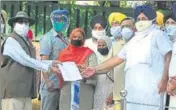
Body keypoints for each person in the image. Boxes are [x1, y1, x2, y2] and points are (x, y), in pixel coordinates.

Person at [83, 5, 172, 110]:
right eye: (138, 19)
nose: (140, 21)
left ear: (152, 20)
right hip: (132, 91)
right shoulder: (134, 40)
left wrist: (164, 79)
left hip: (151, 91)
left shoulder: (158, 35)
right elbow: (116, 59)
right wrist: (94, 69)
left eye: (144, 19)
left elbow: (168, 56)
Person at [0, 11, 60, 110]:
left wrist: (51, 62)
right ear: (14, 25)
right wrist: (48, 67)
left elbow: (33, 60)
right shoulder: (11, 40)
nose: (23, 25)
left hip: (25, 92)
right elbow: (25, 60)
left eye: (26, 22)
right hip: (12, 92)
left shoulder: (27, 41)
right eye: (20, 22)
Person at [58, 28, 97, 110]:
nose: (77, 39)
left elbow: (93, 70)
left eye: (79, 37)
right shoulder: (63, 54)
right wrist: (76, 69)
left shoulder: (89, 53)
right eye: (74, 37)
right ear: (71, 38)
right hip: (67, 88)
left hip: (84, 88)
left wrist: (77, 70)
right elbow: (59, 70)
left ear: (83, 39)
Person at [39, 9, 69, 110]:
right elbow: (43, 62)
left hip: (63, 85)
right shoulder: (48, 38)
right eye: (57, 19)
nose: (60, 22)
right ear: (52, 21)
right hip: (51, 86)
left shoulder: (66, 39)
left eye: (63, 19)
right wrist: (47, 82)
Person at [106, 17, 135, 110]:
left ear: (134, 28)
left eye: (128, 26)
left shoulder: (141, 44)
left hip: (136, 95)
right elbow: (109, 70)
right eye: (123, 27)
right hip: (119, 94)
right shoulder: (116, 46)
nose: (125, 29)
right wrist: (111, 92)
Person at [93, 35, 114, 110]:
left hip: (111, 88)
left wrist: (113, 93)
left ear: (108, 44)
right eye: (99, 45)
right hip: (99, 88)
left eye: (103, 45)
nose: (101, 47)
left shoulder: (114, 57)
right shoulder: (95, 56)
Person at [165, 12, 176, 110]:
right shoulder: (162, 43)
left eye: (173, 23)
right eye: (167, 23)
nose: (169, 26)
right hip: (163, 87)